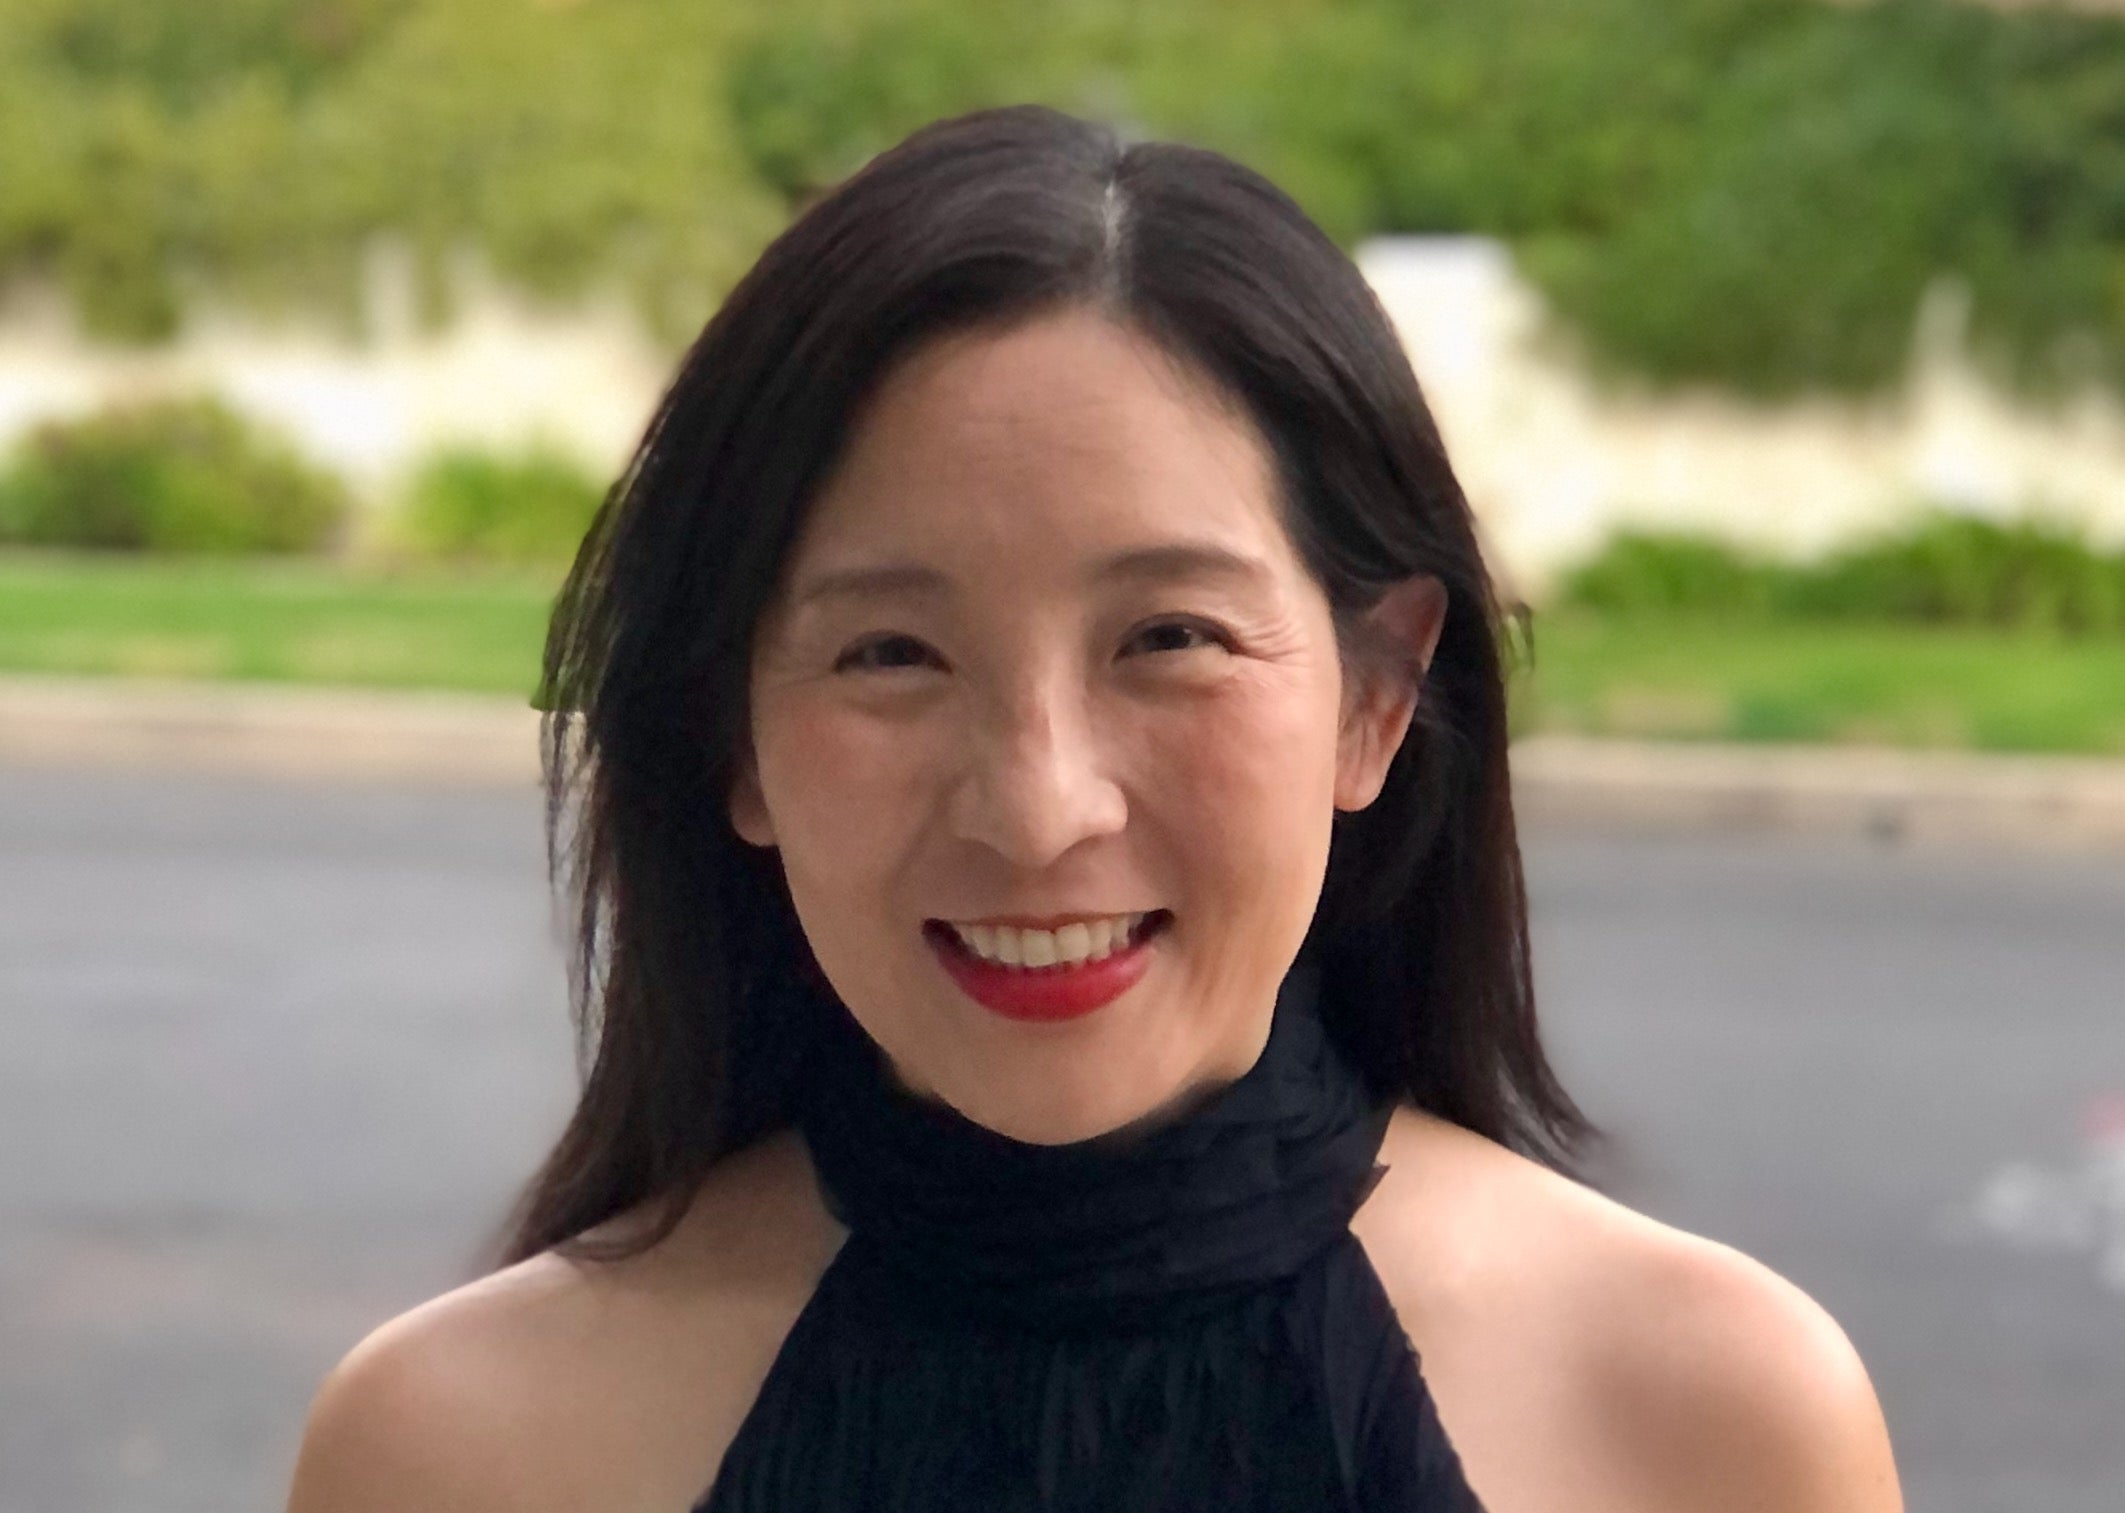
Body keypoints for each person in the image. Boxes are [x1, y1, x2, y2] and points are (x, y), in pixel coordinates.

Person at [285, 105, 1902, 1512]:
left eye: (1169, 638)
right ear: (734, 739)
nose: (1038, 806)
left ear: (1374, 697)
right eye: (890, 652)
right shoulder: (458, 1447)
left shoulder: (1710, 1420)